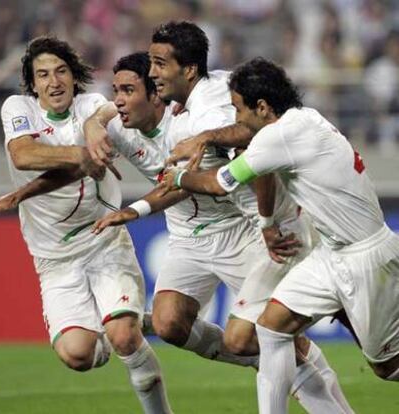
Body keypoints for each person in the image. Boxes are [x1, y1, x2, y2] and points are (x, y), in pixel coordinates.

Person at [88, 23, 353, 413]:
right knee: (168, 324)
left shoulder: (203, 113)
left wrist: (263, 221)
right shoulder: (151, 115)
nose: (154, 73)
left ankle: (302, 364)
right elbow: (104, 112)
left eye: (158, 67)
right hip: (189, 238)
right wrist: (93, 124)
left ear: (181, 75)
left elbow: (249, 154)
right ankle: (279, 355)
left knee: (259, 337)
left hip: (241, 230)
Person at [161, 56, 399, 413]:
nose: (236, 118)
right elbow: (264, 171)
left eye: (238, 108)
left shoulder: (279, 136)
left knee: (387, 367)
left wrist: (177, 178)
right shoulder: (302, 120)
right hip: (331, 255)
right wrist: (267, 221)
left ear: (262, 106)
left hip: (365, 259)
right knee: (271, 328)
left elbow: (220, 183)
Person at [0, 36, 173, 414]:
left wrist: (94, 123)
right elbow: (24, 155)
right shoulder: (18, 107)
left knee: (125, 339)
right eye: (42, 75)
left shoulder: (89, 104)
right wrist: (81, 151)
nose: (53, 82)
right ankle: (124, 319)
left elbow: (108, 109)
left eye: (60, 72)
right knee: (77, 355)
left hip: (102, 240)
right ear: (32, 82)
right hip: (54, 258)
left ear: (74, 76)